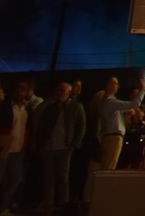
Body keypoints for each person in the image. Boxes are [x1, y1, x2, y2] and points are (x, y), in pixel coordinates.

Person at [31, 81, 86, 213]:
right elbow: (42, 125)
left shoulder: (75, 107)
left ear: (69, 92)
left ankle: (63, 204)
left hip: (65, 147)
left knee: (63, 176)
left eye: (64, 91)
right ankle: (48, 203)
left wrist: (74, 144)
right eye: (59, 90)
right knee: (48, 176)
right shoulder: (50, 107)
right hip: (48, 147)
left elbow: (81, 126)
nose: (61, 93)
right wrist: (40, 144)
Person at [94, 76, 145, 171]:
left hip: (110, 137)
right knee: (108, 168)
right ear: (109, 85)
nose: (118, 86)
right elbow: (134, 104)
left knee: (108, 166)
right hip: (113, 138)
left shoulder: (109, 103)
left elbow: (128, 108)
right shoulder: (111, 102)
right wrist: (142, 90)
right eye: (115, 83)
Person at [0, 81, 34, 215]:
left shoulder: (27, 109)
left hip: (18, 151)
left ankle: (2, 207)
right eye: (18, 89)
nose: (20, 93)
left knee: (15, 180)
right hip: (3, 149)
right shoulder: (5, 107)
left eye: (24, 90)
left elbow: (27, 129)